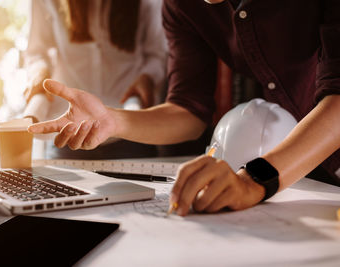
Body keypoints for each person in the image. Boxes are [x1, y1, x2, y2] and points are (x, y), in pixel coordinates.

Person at [28, 0, 340, 216]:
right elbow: (188, 109)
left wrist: (253, 180)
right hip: (302, 170)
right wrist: (114, 120)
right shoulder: (182, 6)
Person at [23, 0, 167, 159]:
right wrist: (39, 71)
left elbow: (157, 54)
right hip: (68, 129)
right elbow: (36, 51)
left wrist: (148, 77)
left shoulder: (149, 3)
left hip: (129, 131)